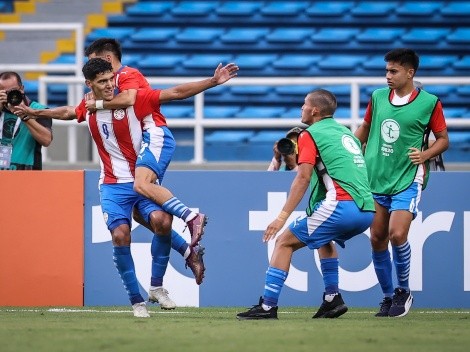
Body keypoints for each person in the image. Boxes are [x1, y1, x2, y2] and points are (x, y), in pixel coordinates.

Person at [13, 58, 239, 317]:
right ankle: (136, 300)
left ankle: (157, 287)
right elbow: (66, 112)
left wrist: (212, 82)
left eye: (111, 79)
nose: (109, 85)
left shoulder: (133, 99)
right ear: (89, 84)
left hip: (139, 182)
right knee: (121, 235)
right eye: (102, 82)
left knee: (162, 221)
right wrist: (35, 113)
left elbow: (175, 93)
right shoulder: (88, 106)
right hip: (111, 185)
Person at [237, 89, 375, 320]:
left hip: (342, 205)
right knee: (324, 239)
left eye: (304, 104)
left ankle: (268, 306)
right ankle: (332, 299)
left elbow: (302, 178)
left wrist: (280, 218)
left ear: (315, 110)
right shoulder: (346, 133)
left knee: (283, 243)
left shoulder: (310, 134)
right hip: (366, 209)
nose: (301, 108)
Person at [84, 38, 205, 285]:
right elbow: (71, 111)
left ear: (107, 59)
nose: (93, 68)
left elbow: (135, 99)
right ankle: (186, 250)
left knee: (142, 187)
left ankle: (191, 217)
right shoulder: (110, 87)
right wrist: (36, 112)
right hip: (131, 161)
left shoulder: (127, 75)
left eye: (95, 61)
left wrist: (96, 103)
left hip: (155, 134)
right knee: (149, 218)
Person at [354, 48, 449, 317]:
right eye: (386, 70)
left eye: (393, 71)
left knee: (397, 234)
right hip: (376, 177)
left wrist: (426, 154)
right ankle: (387, 297)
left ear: (410, 72)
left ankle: (403, 290)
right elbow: (365, 128)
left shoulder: (429, 102)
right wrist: (349, 146)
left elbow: (443, 140)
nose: (388, 76)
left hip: (408, 177)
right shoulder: (378, 97)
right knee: (377, 238)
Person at [0, 71, 52, 170]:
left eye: (13, 91)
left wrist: (23, 115)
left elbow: (46, 140)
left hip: (27, 173)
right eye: (5, 92)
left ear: (22, 89)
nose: (9, 96)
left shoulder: (38, 110)